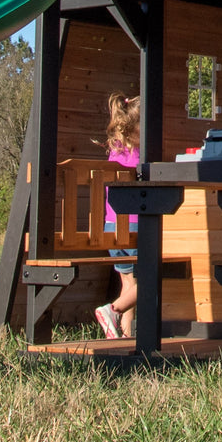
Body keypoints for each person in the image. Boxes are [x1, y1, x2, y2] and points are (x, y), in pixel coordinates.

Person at [94, 92, 141, 339]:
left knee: (129, 285)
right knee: (152, 275)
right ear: (135, 128)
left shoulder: (115, 152)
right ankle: (113, 310)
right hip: (134, 226)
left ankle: (124, 336)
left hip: (111, 228)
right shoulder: (141, 156)